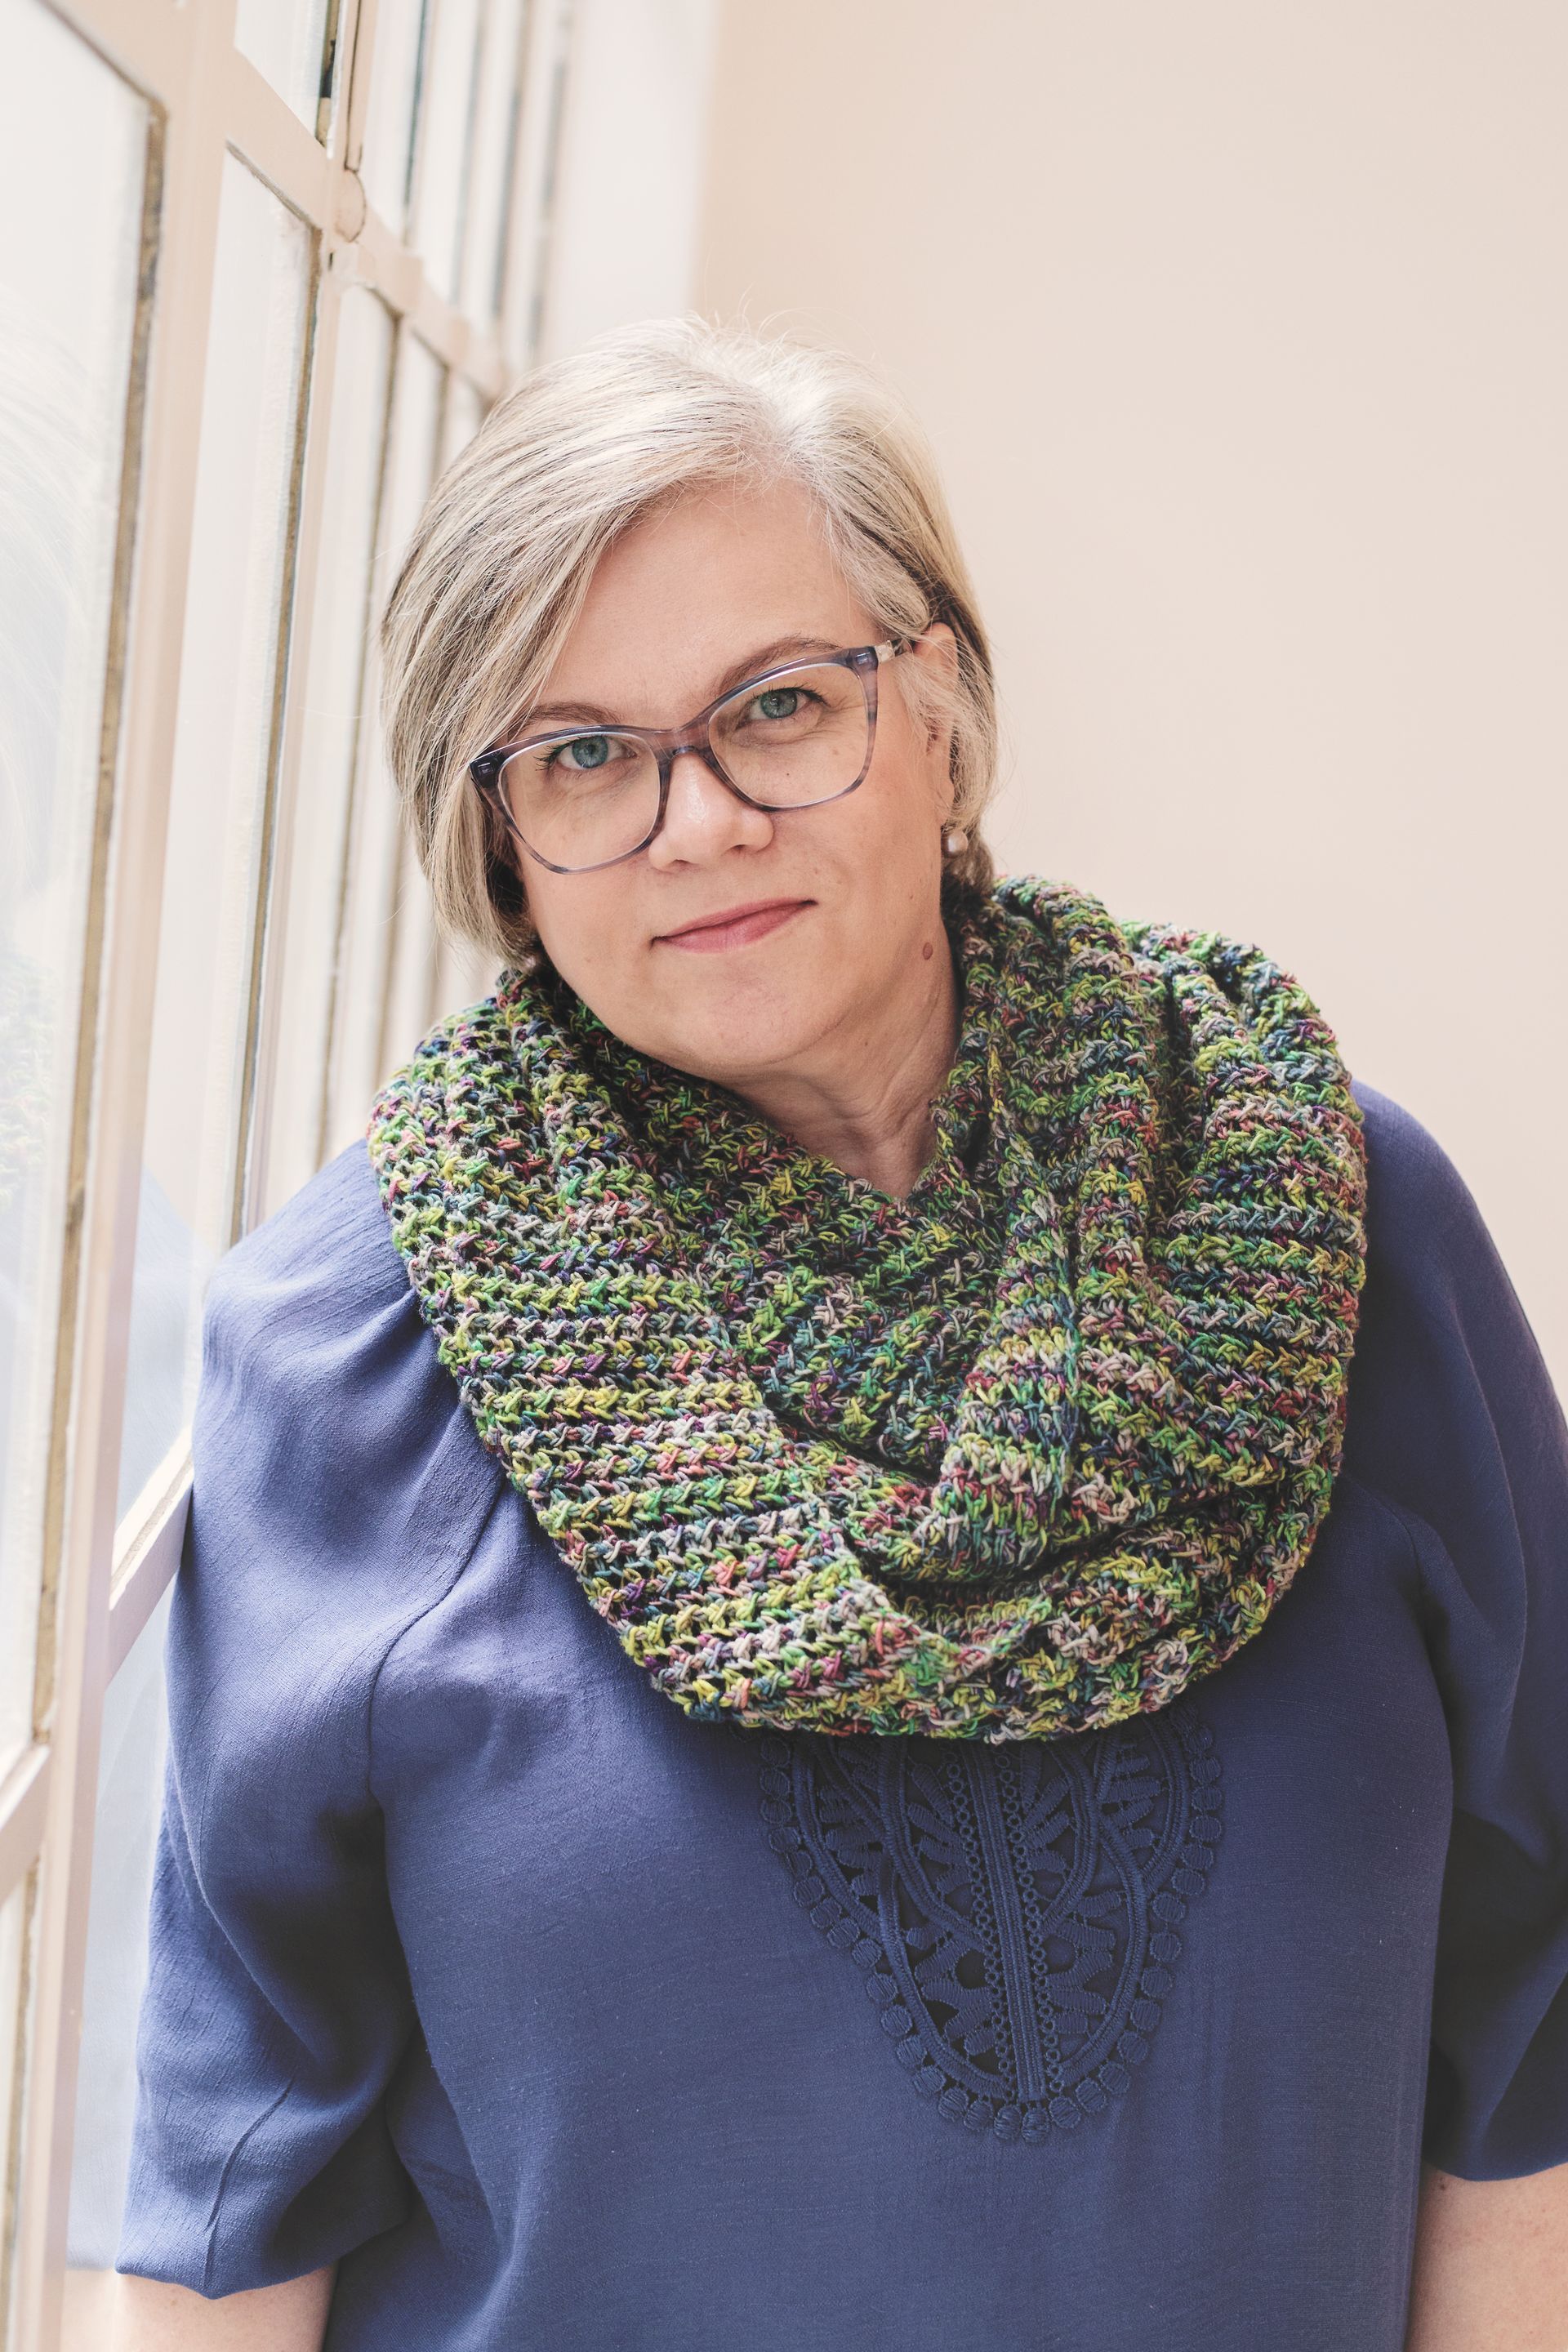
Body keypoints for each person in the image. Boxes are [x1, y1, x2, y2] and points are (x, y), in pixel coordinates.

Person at [114, 320, 1568, 2350]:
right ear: (505, 849)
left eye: (778, 705)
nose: (694, 820)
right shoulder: (354, 1352)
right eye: (584, 754)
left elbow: (1531, 2024)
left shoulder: (1320, 1214)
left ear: (944, 712)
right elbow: (230, 2190)